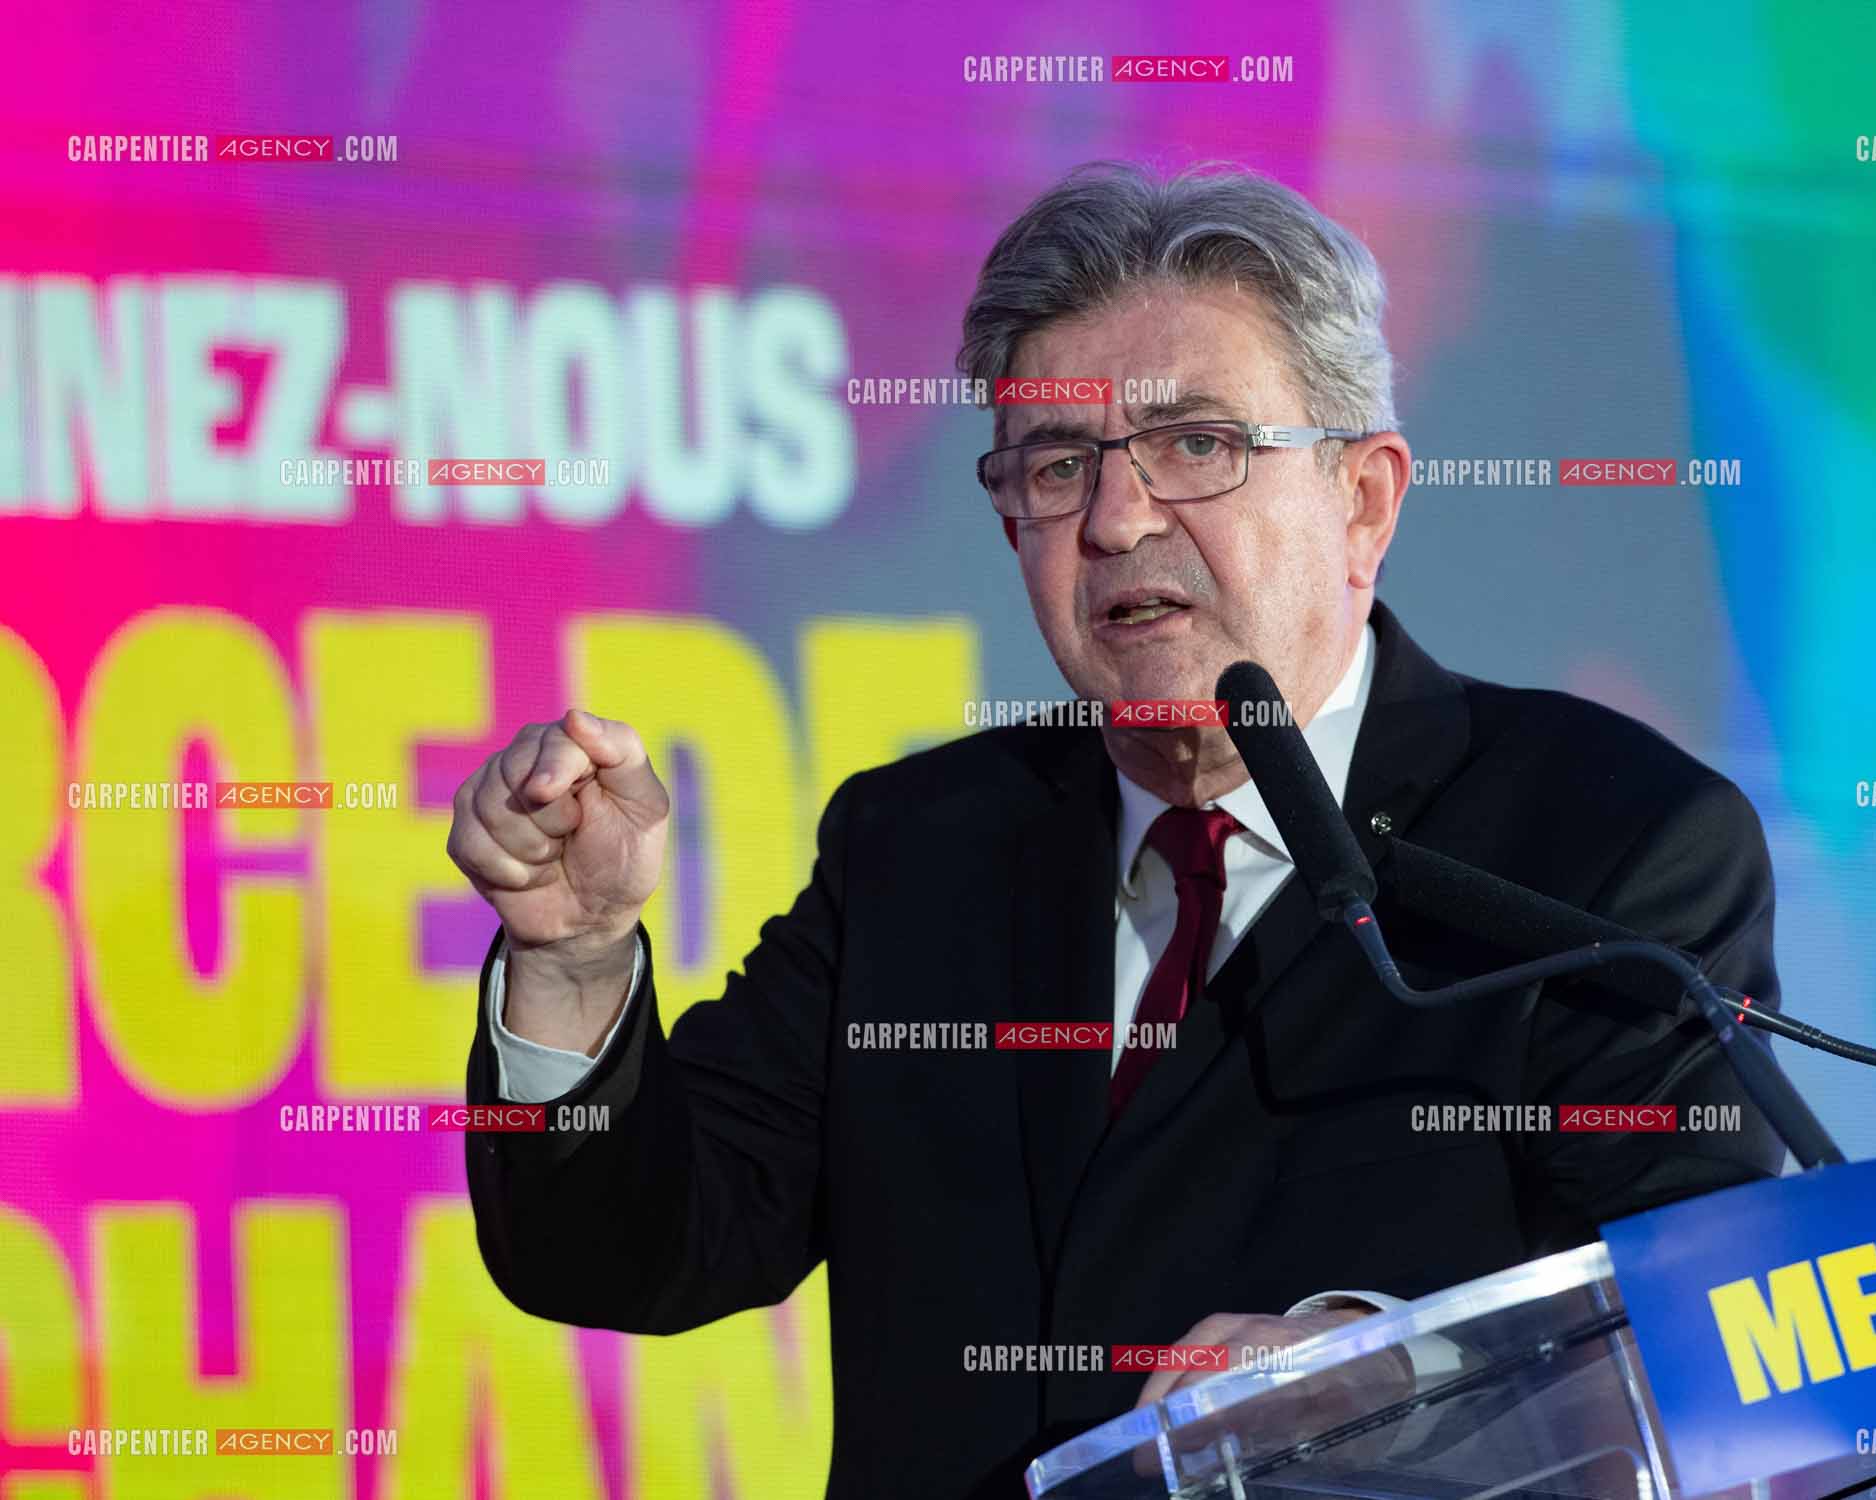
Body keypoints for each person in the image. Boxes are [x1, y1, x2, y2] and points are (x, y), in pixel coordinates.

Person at [447, 160, 1784, 1498]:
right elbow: (629, 1250)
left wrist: (1380, 1368)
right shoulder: (921, 847)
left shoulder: (1605, 843)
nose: (1115, 518)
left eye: (1196, 444)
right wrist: (571, 964)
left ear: (1361, 501)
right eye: (1056, 464)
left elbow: (1702, 1338)